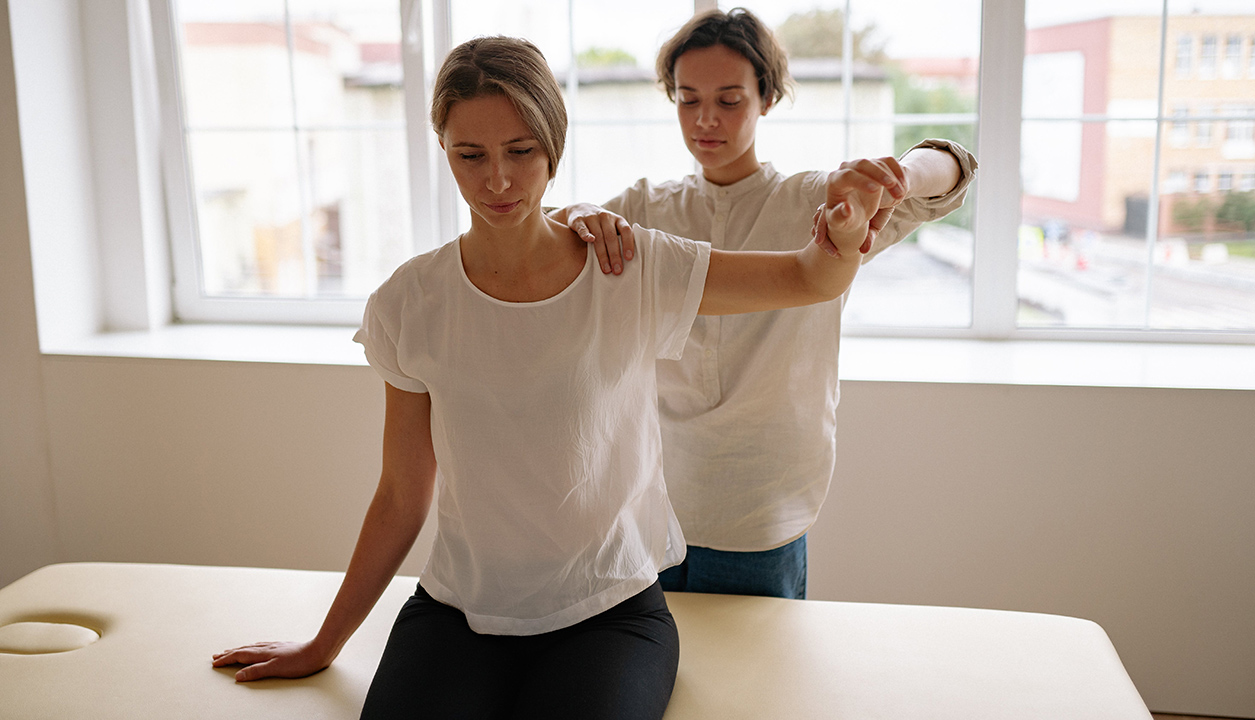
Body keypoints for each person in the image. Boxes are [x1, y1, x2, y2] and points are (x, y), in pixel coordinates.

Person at [212, 36, 884, 720]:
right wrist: (325, 642)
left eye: (520, 151)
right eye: (470, 155)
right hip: (457, 613)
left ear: (553, 146)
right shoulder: (409, 302)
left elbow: (808, 277)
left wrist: (847, 227)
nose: (496, 180)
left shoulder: (628, 267)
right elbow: (400, 493)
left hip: (611, 615)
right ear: (443, 148)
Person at [548, 7, 978, 601]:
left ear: (766, 98)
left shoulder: (823, 203)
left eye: (729, 100)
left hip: (763, 507)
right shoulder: (646, 208)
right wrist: (574, 214)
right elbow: (548, 236)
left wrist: (892, 176)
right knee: (658, 680)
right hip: (653, 504)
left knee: (761, 686)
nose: (705, 119)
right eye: (686, 98)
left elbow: (955, 167)